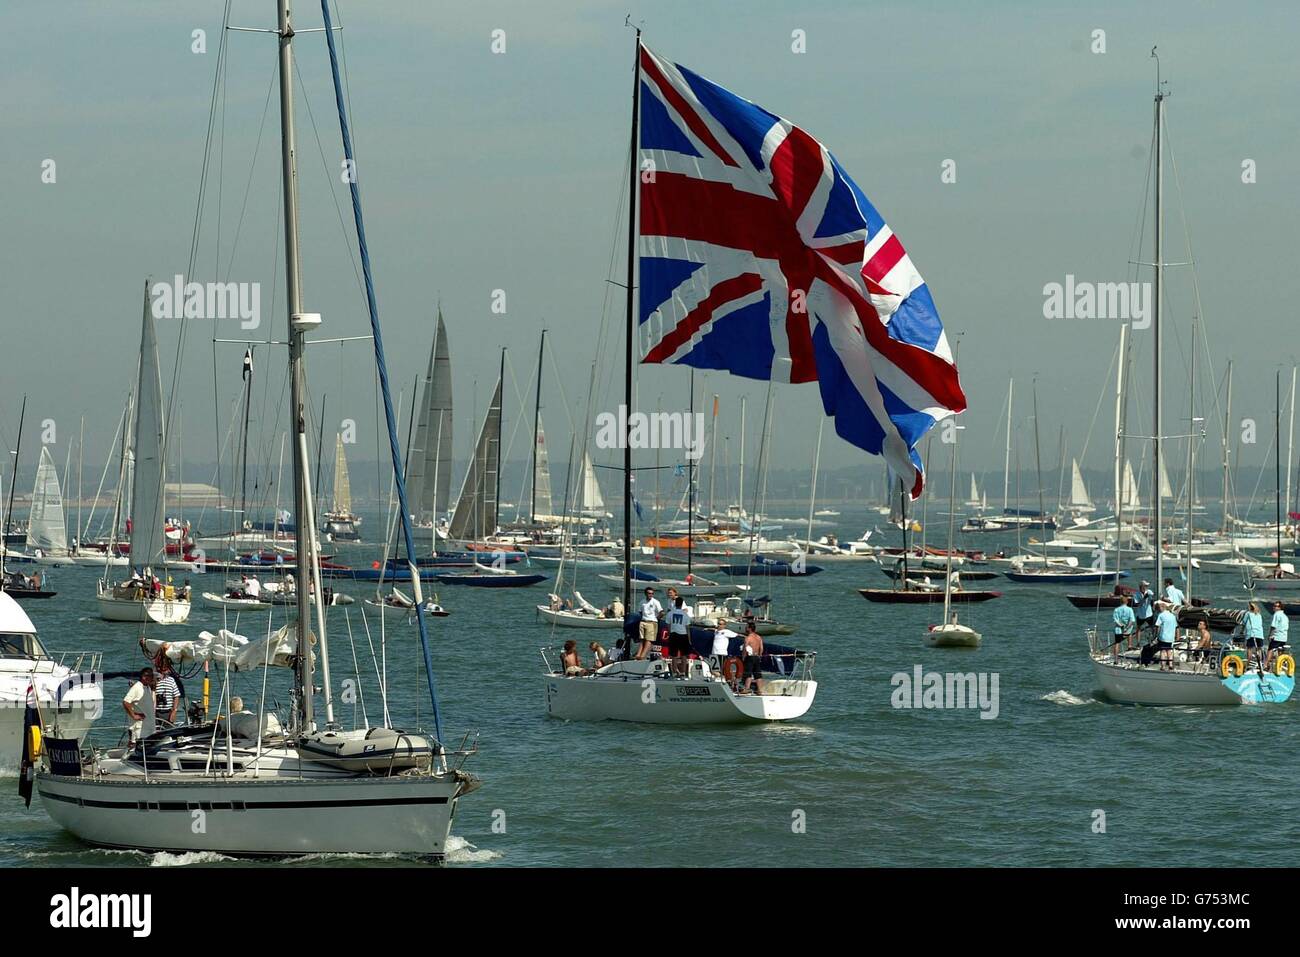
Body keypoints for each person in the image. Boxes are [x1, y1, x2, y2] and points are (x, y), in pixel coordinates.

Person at [122, 668, 156, 747]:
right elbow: (126, 702)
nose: (150, 678)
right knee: (137, 747)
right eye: (147, 675)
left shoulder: (147, 688)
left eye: (151, 676)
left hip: (149, 727)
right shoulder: (137, 687)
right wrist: (133, 715)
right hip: (140, 728)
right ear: (142, 676)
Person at [665, 596, 693, 677]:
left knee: (674, 655)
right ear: (681, 604)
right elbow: (687, 628)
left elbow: (668, 625)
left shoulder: (670, 613)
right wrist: (689, 639)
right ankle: (683, 672)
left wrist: (670, 635)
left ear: (675, 604)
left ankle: (674, 672)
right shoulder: (685, 615)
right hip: (683, 635)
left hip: (673, 635)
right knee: (684, 655)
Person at [635, 587, 662, 660]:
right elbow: (640, 611)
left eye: (652, 593)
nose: (651, 595)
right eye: (649, 593)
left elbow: (661, 612)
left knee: (648, 639)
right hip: (643, 621)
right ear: (645, 594)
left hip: (652, 622)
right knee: (642, 639)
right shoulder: (642, 602)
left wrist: (656, 619)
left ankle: (643, 655)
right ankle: (638, 654)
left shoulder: (655, 602)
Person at [711, 617, 739, 686]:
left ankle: (731, 681)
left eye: (721, 624)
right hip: (714, 653)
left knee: (723, 670)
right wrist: (707, 629)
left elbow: (737, 635)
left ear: (724, 625)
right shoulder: (716, 631)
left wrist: (747, 637)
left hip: (722, 653)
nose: (719, 625)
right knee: (713, 671)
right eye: (718, 624)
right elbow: (713, 629)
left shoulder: (727, 631)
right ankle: (723, 680)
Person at [153, 662, 181, 727]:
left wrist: (174, 711)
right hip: (155, 711)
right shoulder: (154, 680)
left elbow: (176, 696)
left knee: (168, 731)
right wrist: (157, 679)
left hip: (168, 712)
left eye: (166, 667)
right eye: (161, 667)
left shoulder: (171, 680)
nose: (164, 669)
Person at [740, 622, 765, 695]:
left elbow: (745, 648)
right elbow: (761, 648)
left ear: (750, 628)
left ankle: (746, 689)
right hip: (757, 656)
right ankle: (760, 690)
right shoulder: (758, 637)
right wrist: (760, 655)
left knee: (748, 673)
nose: (745, 628)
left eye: (746, 627)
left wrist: (743, 657)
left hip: (750, 657)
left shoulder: (748, 638)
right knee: (758, 674)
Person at [1153, 600, 1178, 671]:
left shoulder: (1161, 615)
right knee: (1169, 651)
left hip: (1163, 637)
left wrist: (1155, 636)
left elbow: (1157, 626)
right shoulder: (1173, 616)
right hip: (1171, 637)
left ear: (1162, 608)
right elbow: (1176, 627)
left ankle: (1163, 666)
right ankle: (1170, 665)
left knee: (1163, 651)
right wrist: (1176, 636)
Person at [1265, 601, 1290, 672]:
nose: (1274, 607)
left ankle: (1265, 665)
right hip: (1284, 637)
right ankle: (1280, 666)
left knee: (1270, 650)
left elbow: (1273, 626)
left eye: (1276, 606)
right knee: (1280, 651)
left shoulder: (1276, 614)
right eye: (1274, 605)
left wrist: (1270, 635)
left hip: (1277, 636)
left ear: (1280, 607)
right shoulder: (1285, 616)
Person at [1243, 600, 1265, 667]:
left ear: (1249, 607)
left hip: (1251, 634)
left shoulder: (1248, 613)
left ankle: (1248, 663)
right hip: (1260, 634)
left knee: (1249, 649)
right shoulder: (1259, 615)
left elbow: (1243, 622)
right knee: (1259, 649)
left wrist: (1242, 631)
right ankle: (1260, 664)